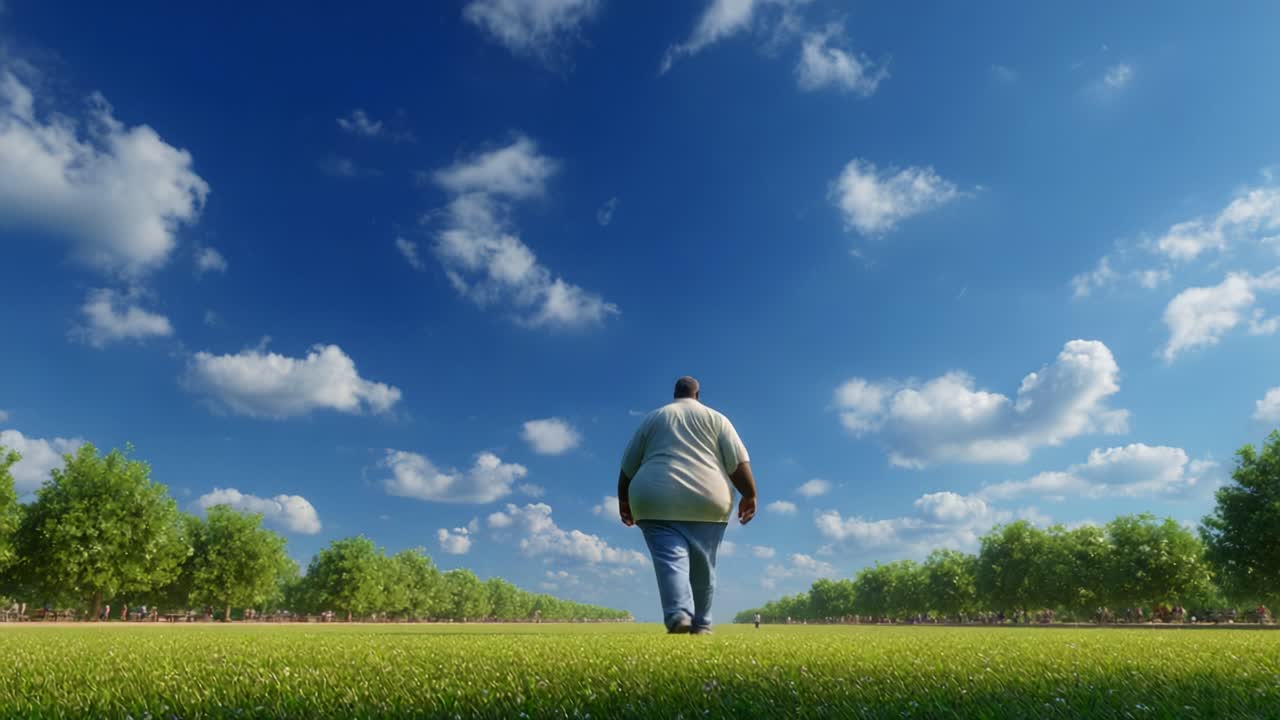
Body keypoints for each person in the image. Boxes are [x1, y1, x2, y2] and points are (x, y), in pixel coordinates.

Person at [618, 376, 757, 635]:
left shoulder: (653, 418)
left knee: (670, 561)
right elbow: (737, 463)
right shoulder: (717, 419)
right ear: (697, 394)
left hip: (654, 500)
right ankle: (702, 623)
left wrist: (623, 499)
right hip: (707, 499)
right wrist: (750, 494)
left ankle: (679, 614)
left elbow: (628, 466)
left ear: (675, 393)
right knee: (704, 567)